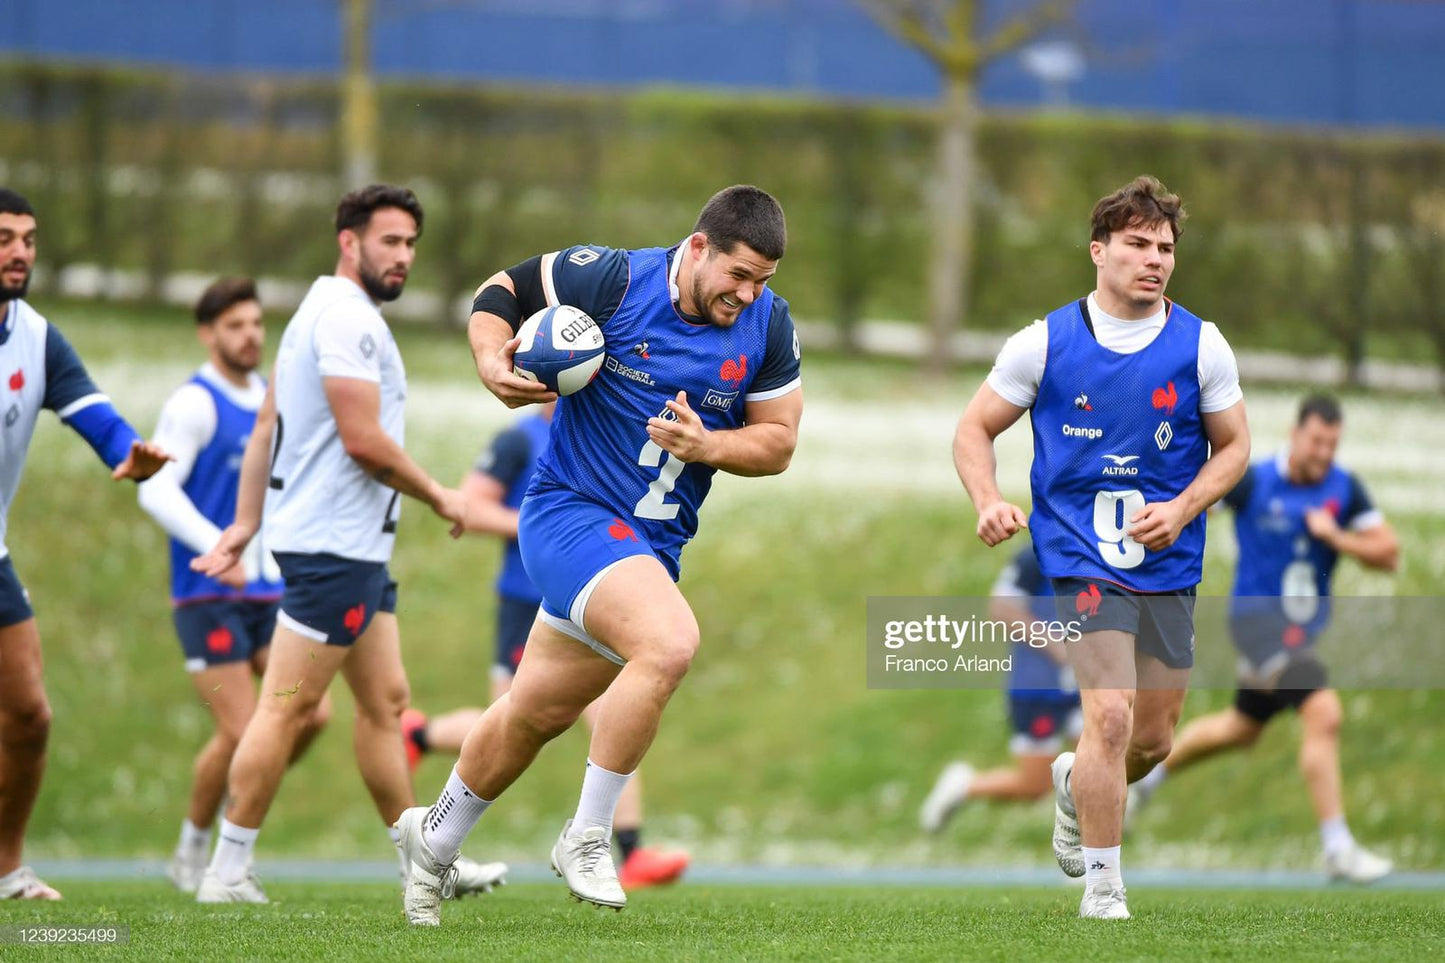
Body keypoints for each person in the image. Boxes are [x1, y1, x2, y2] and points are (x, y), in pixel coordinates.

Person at [394, 184, 802, 926]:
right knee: (671, 641)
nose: (747, 294)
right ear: (700, 246)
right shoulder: (612, 277)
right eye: (738, 275)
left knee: (531, 714)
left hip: (651, 547)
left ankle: (433, 839)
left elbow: (778, 440)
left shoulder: (769, 325)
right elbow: (502, 290)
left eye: (762, 282)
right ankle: (589, 835)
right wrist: (491, 359)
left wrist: (709, 444)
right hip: (567, 514)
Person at [191, 185, 504, 903]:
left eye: (411, 245)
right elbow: (364, 441)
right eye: (390, 241)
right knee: (287, 706)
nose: (404, 257)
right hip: (334, 551)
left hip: (351, 549)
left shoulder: (314, 313)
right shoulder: (346, 320)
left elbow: (266, 425)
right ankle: (227, 869)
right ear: (349, 241)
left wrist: (244, 524)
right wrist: (441, 494)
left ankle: (422, 864)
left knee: (385, 704)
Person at [953, 175, 1250, 919]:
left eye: (1165, 248)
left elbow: (1235, 448)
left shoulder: (1201, 344)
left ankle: (1069, 782)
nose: (1154, 260)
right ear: (1098, 250)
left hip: (1167, 565)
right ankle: (1104, 885)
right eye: (1137, 245)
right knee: (1109, 716)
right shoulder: (1044, 342)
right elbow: (971, 429)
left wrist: (1182, 508)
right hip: (1079, 557)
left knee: (1150, 739)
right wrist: (988, 499)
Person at [402, 400, 690, 890]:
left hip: (604, 593)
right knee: (520, 718)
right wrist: (550, 517)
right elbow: (471, 505)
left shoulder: (605, 428)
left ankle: (628, 849)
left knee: (613, 708)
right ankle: (421, 738)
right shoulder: (518, 439)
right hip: (529, 596)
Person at [1130, 395, 1398, 882]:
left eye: (1332, 444)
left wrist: (1338, 538)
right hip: (1257, 626)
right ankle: (1337, 846)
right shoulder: (1255, 480)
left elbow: (1389, 553)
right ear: (1296, 435)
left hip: (1299, 635)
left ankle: (1145, 783)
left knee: (1241, 728)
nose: (1323, 453)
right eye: (1317, 441)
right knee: (1324, 711)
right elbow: (1198, 506)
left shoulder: (1343, 490)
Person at [0, 187, 171, 900]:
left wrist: (128, 452)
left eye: (29, 240)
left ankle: (6, 868)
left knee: (29, 715)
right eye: (5, 237)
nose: (19, 252)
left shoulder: (36, 337)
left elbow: (92, 411)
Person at [138, 277, 333, 892]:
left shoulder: (271, 402)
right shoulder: (194, 404)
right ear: (208, 333)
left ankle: (225, 832)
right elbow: (155, 486)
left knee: (313, 714)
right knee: (245, 728)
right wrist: (214, 546)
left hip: (268, 593)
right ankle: (201, 854)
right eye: (235, 326)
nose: (251, 335)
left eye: (255, 323)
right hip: (208, 594)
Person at [919, 544, 1080, 831]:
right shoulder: (1036, 552)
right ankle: (965, 787)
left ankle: (1091, 859)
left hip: (1080, 685)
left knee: (1099, 770)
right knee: (1035, 786)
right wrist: (1059, 648)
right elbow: (1001, 609)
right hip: (1037, 689)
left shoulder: (1098, 546)